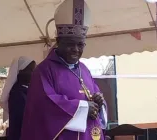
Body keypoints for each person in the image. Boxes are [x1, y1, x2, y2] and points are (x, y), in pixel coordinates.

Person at [20, 0, 108, 140]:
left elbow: (96, 98)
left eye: (80, 44)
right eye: (70, 44)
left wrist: (100, 102)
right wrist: (83, 108)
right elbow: (45, 105)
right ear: (58, 42)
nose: (76, 49)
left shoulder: (84, 70)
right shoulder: (44, 71)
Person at [0, 56, 36, 140]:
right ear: (20, 71)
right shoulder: (17, 93)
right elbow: (22, 119)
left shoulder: (27, 90)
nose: (33, 73)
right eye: (30, 70)